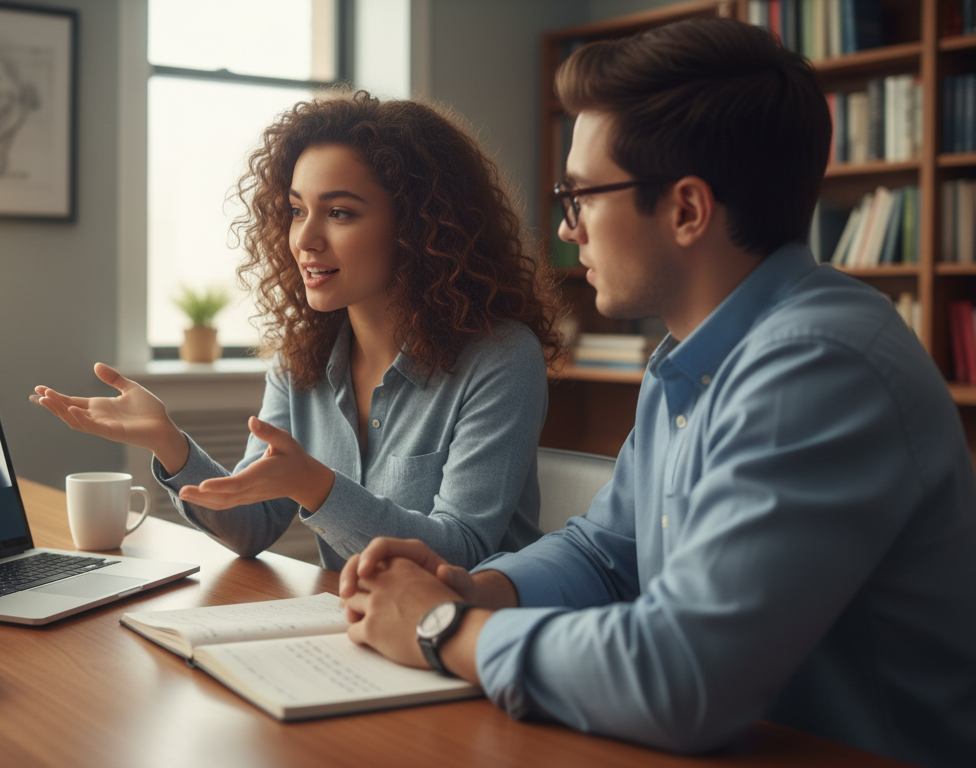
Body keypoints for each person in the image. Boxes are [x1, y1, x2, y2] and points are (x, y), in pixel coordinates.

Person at [337, 18, 976, 768]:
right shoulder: (693, 356)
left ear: (687, 210)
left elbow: (684, 677)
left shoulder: (817, 369)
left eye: (579, 196)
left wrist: (443, 629)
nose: (567, 230)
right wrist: (478, 589)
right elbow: (611, 551)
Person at [32, 92, 565, 571]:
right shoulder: (302, 358)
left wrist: (315, 485)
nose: (304, 238)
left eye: (338, 212)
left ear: (418, 228)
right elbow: (251, 527)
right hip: (355, 633)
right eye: (295, 210)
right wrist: (168, 442)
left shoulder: (501, 357)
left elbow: (461, 554)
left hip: (474, 643)